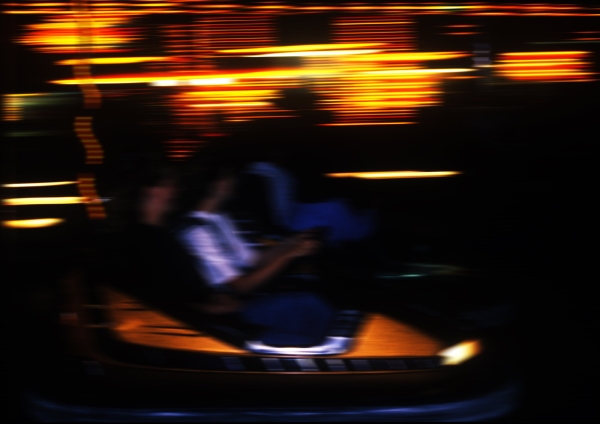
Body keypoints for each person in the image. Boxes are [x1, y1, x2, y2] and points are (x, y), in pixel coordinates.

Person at [174, 163, 337, 346]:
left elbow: (254, 259)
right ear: (212, 184)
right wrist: (290, 254)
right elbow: (241, 287)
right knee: (311, 307)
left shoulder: (220, 217)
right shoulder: (195, 231)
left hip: (246, 301)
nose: (233, 181)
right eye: (227, 177)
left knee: (317, 305)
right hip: (230, 312)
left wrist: (292, 242)